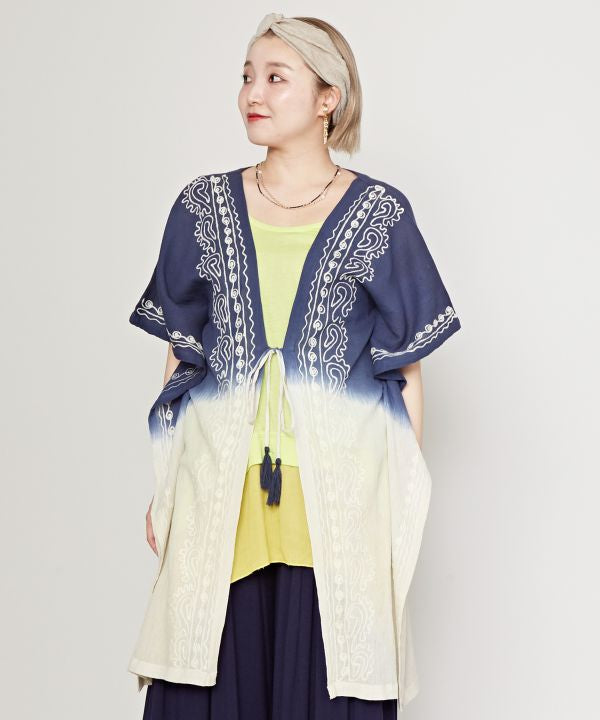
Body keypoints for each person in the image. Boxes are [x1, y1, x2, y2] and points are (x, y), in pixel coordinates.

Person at [127, 12, 462, 719]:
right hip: (221, 492)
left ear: (327, 98)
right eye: (248, 76)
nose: (254, 92)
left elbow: (406, 374)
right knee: (202, 681)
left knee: (331, 686)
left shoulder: (380, 214)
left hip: (336, 499)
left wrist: (398, 498)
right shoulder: (201, 206)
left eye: (276, 77)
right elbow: (181, 356)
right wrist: (166, 486)